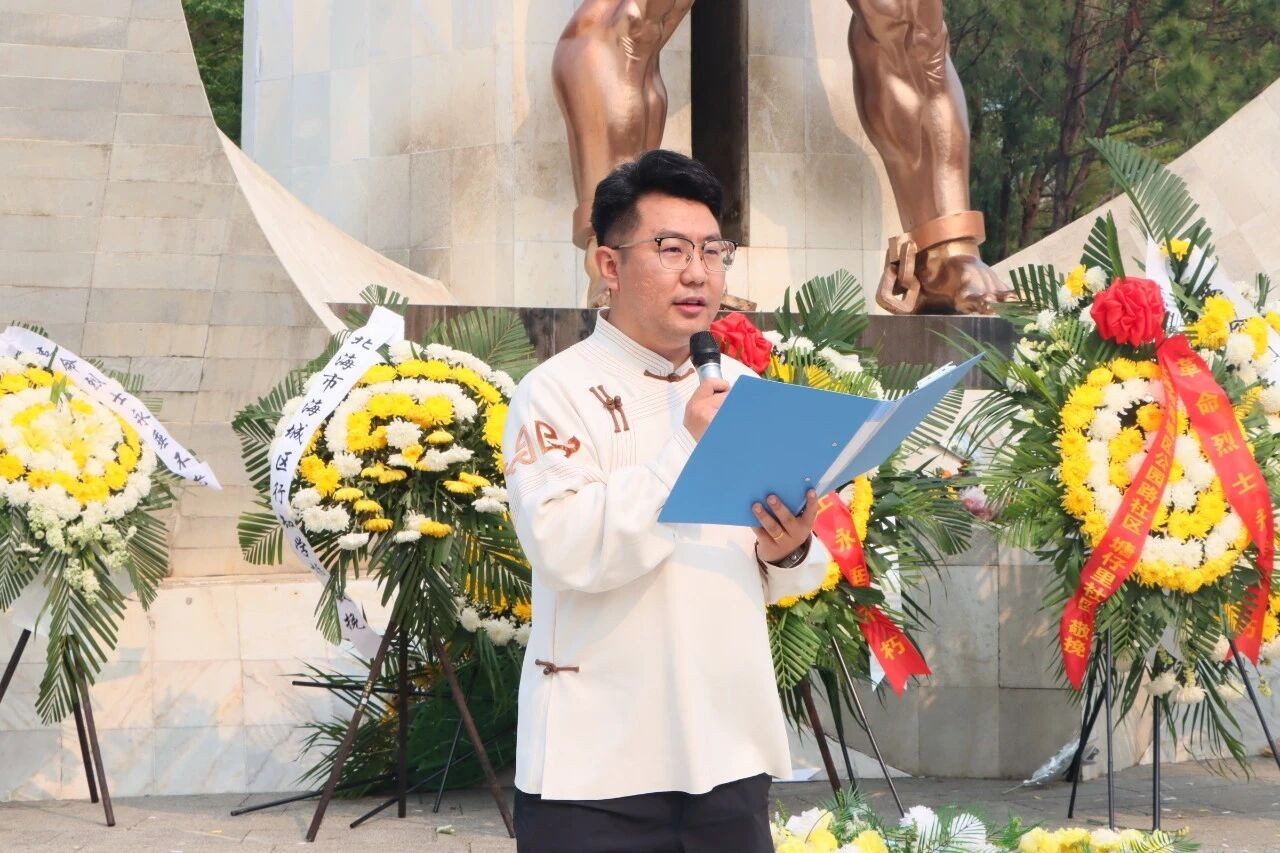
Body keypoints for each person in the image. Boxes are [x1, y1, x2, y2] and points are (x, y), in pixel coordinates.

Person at [502, 149, 832, 852]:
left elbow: (790, 570)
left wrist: (788, 547)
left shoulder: (743, 389)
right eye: (671, 248)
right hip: (596, 765)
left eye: (713, 251)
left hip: (726, 751)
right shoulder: (554, 391)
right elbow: (565, 547)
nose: (698, 272)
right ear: (609, 264)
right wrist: (687, 446)